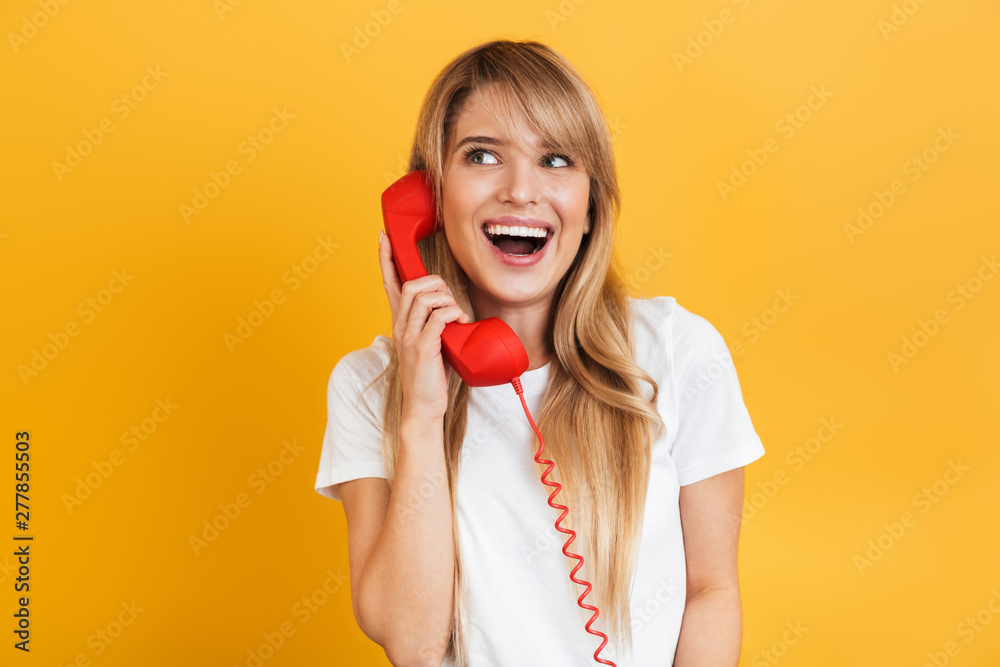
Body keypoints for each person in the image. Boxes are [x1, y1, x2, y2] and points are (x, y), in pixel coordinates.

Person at [314, 39, 766, 667]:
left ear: (590, 204)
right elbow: (412, 644)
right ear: (428, 199)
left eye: (555, 159)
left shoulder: (675, 350)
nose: (521, 191)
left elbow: (710, 592)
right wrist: (421, 416)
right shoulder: (367, 387)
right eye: (482, 156)